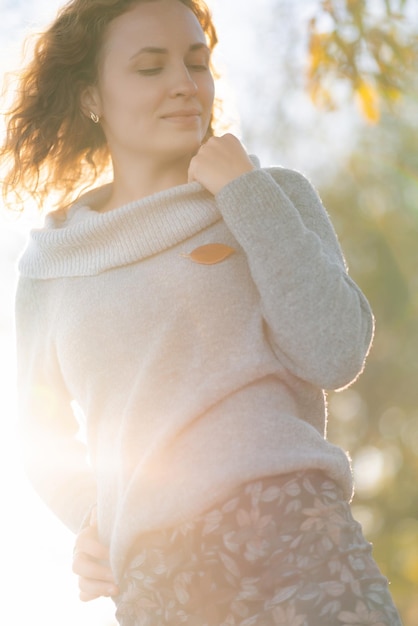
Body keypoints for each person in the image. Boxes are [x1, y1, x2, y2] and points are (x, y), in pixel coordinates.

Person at [2, 0, 403, 624]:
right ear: (90, 98)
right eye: (149, 67)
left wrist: (244, 192)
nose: (185, 86)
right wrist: (94, 515)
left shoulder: (270, 196)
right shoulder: (52, 265)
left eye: (197, 63)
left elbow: (336, 350)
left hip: (302, 531)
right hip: (159, 572)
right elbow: (39, 435)